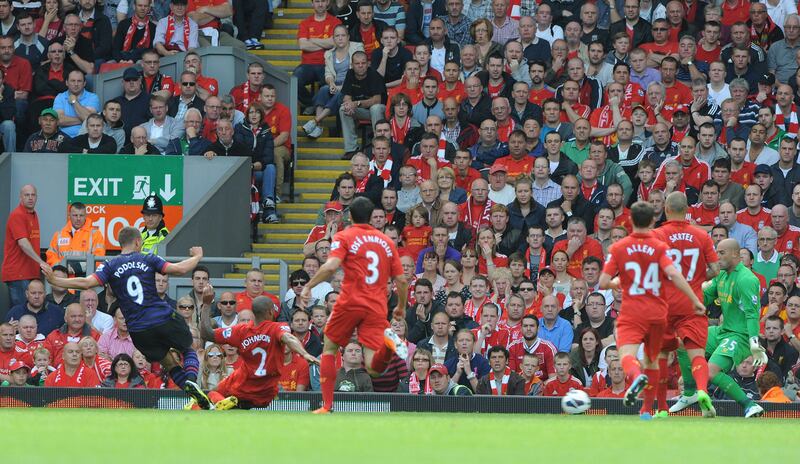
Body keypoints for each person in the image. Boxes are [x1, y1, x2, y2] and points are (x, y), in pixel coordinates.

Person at [42, 226, 214, 409]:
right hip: (162, 317)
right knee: (187, 348)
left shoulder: (110, 264)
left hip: (139, 331)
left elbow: (87, 283)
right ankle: (190, 379)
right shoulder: (147, 257)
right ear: (138, 242)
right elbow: (179, 269)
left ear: (120, 244)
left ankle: (192, 392)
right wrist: (197, 256)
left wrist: (55, 280)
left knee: (169, 363)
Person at [300, 197, 409, 412]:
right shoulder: (386, 241)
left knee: (329, 349)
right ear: (371, 217)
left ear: (350, 216)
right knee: (373, 368)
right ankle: (388, 348)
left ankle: (327, 405)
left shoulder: (344, 235)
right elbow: (402, 280)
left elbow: (331, 267)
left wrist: (308, 285)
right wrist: (401, 307)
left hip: (350, 301)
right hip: (376, 306)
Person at [599, 201, 704, 418]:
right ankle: (647, 410)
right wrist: (694, 299)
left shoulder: (619, 247)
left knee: (627, 354)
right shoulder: (659, 247)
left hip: (632, 312)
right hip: (657, 314)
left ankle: (636, 376)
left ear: (630, 220)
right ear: (652, 221)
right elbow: (674, 275)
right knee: (653, 360)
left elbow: (602, 282)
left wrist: (617, 283)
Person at [674, 239, 769, 418]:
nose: (717, 257)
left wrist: (754, 343)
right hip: (723, 331)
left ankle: (749, 405)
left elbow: (751, 314)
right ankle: (690, 393)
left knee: (710, 371)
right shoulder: (722, 275)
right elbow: (705, 298)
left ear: (735, 254)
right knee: (682, 342)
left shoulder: (747, 279)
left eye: (721, 253)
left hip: (740, 336)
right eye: (716, 252)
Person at [651, 192, 721, 417]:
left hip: (663, 304)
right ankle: (701, 391)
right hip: (691, 303)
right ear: (687, 210)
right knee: (696, 352)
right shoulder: (702, 236)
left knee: (661, 355)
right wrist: (699, 276)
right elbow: (716, 270)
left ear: (666, 209)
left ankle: (661, 408)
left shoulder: (656, 235)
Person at [2, 184, 46, 308]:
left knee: (30, 313)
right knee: (21, 313)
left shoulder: (33, 214)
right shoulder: (18, 215)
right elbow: (23, 243)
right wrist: (41, 263)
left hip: (30, 273)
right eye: (27, 195)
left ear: (37, 197)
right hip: (18, 273)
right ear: (20, 197)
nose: (30, 198)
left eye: (33, 195)